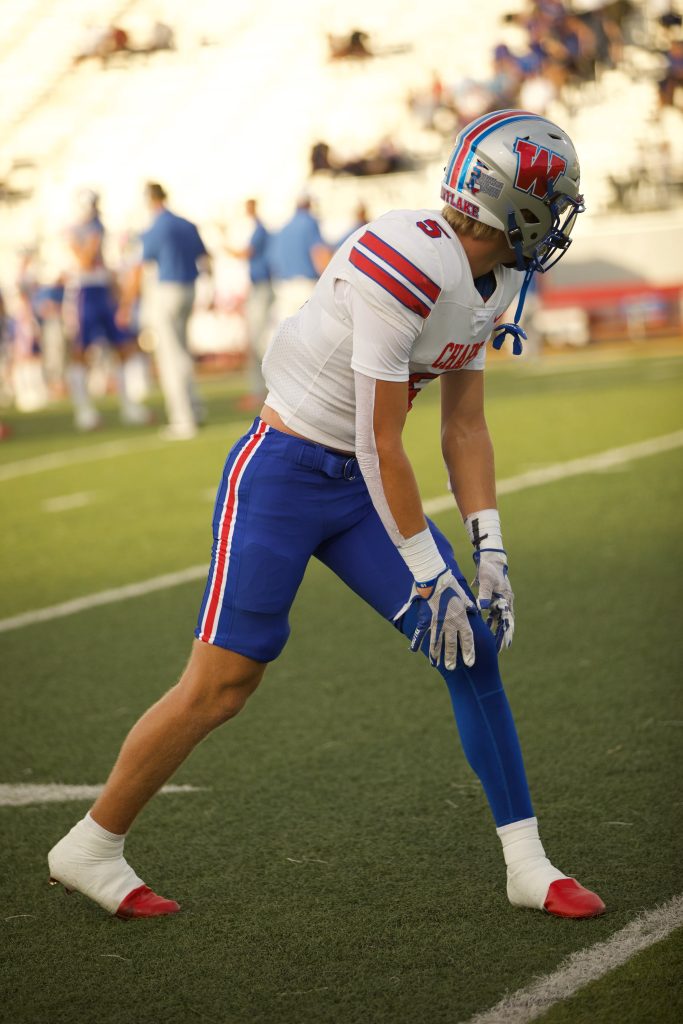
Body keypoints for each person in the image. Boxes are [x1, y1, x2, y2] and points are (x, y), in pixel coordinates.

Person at [48, 110, 605, 922]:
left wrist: (489, 549)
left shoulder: (494, 277)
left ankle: (526, 863)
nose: (556, 220)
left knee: (470, 650)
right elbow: (381, 440)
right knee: (221, 685)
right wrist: (429, 572)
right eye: (550, 203)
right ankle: (90, 845)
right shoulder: (405, 256)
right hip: (284, 473)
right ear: (512, 205)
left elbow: (462, 425)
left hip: (362, 488)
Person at [119, 183, 210, 440]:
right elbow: (204, 258)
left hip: (167, 291)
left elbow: (139, 267)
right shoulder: (186, 224)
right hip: (189, 289)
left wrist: (126, 304)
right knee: (181, 351)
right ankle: (195, 408)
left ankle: (183, 418)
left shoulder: (156, 227)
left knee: (171, 357)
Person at [63, 190, 151, 431]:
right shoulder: (76, 229)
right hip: (84, 292)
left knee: (123, 346)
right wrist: (87, 242)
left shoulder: (97, 227)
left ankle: (128, 405)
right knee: (81, 350)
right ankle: (84, 411)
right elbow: (84, 261)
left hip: (102, 289)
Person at [227, 199, 275, 411]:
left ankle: (261, 392)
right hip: (259, 287)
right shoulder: (260, 229)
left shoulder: (260, 230)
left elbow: (245, 253)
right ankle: (261, 391)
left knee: (257, 342)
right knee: (257, 341)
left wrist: (224, 245)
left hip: (262, 287)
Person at [267, 193, 331, 322]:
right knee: (310, 329)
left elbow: (273, 259)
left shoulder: (285, 226)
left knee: (287, 329)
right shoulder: (309, 222)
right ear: (309, 204)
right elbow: (319, 253)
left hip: (284, 286)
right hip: (305, 286)